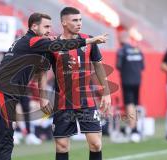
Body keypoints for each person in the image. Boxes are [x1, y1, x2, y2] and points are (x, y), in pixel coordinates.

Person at [0, 12, 108, 160]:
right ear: (34, 27)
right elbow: (61, 44)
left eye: (50, 26)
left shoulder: (26, 42)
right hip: (2, 91)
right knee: (6, 140)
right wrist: (90, 41)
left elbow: (34, 70)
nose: (49, 30)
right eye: (46, 26)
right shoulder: (33, 41)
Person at [43, 7, 111, 160]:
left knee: (96, 144)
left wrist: (106, 93)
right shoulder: (53, 45)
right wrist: (43, 96)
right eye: (75, 20)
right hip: (63, 102)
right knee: (61, 146)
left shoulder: (90, 40)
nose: (79, 23)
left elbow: (98, 66)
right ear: (64, 23)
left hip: (87, 101)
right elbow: (42, 71)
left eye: (80, 20)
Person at [116, 31, 144, 142]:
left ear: (123, 38)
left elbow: (118, 65)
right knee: (136, 104)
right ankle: (134, 127)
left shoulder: (122, 51)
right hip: (137, 80)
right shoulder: (138, 50)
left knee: (129, 104)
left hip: (127, 80)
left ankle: (133, 129)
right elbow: (142, 66)